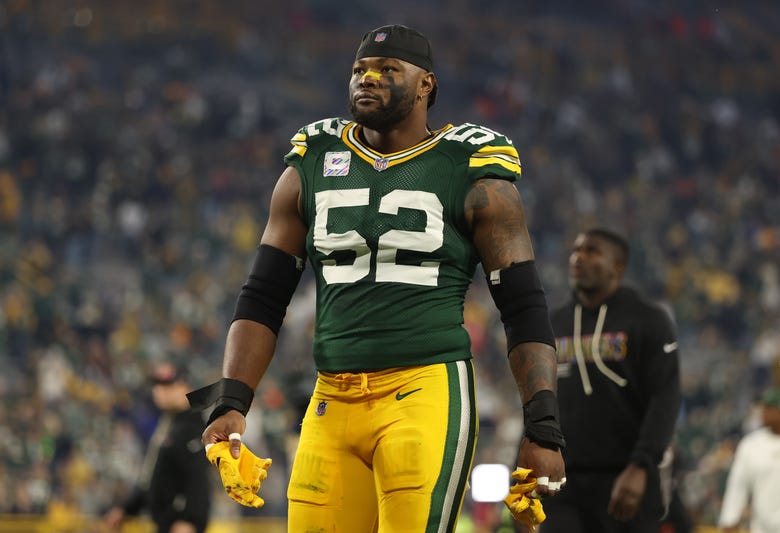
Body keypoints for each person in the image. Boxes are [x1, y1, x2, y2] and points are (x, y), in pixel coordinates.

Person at [187, 24, 565, 532]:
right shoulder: (313, 162)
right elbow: (262, 296)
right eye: (360, 70)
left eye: (387, 70)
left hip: (425, 390)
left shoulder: (471, 169)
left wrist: (542, 428)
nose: (368, 79)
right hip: (331, 399)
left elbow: (522, 308)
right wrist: (232, 400)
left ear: (427, 84)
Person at [540, 228, 681, 533]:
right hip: (563, 483)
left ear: (617, 266)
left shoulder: (648, 319)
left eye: (592, 251)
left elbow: (665, 397)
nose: (578, 257)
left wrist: (642, 465)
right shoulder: (554, 323)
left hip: (625, 477)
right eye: (576, 250)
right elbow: (538, 400)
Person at [105, 363, 210, 533]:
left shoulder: (191, 426)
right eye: (158, 385)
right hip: (165, 523)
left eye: (168, 385)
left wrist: (191, 520)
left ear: (185, 387)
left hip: (179, 525)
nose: (159, 391)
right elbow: (152, 478)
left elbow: (198, 478)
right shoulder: (169, 423)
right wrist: (127, 509)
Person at [718, 387, 780, 533]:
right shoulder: (751, 444)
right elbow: (738, 484)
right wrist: (729, 519)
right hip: (762, 526)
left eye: (769, 408)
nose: (763, 412)